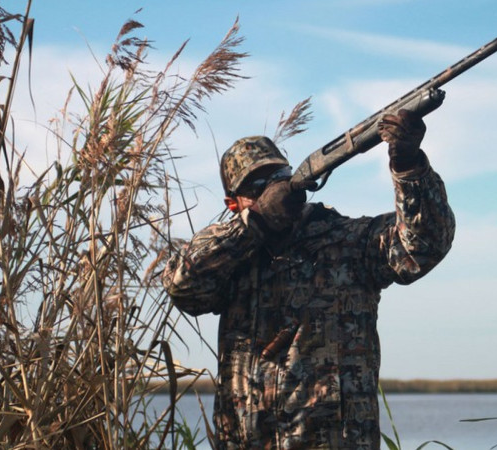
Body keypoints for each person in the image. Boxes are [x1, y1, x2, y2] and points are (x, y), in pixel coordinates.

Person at [163, 109, 455, 449]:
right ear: (233, 204)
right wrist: (256, 222)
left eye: (279, 177)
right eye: (257, 187)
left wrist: (408, 166)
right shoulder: (230, 261)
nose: (273, 190)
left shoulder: (347, 241)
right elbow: (183, 286)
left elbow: (424, 245)